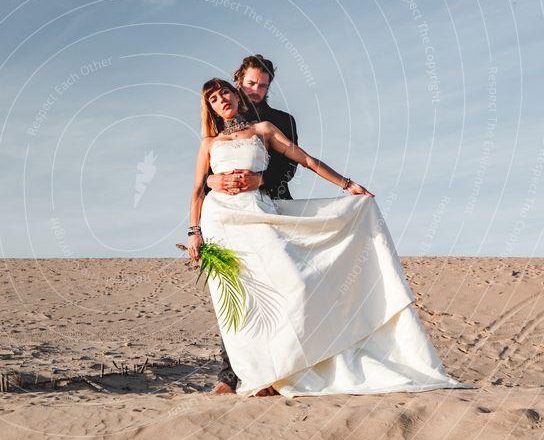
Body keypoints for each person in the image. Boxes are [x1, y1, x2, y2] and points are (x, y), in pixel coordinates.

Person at [188, 78, 467, 398]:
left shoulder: (263, 130)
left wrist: (347, 184)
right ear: (209, 108)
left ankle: (286, 369)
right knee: (239, 298)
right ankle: (256, 376)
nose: (221, 99)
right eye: (213, 98)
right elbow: (198, 190)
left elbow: (304, 159)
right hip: (221, 221)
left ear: (237, 96)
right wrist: (194, 232)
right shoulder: (209, 143)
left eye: (225, 92)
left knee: (294, 284)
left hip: (259, 214)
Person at [205, 55, 298, 395]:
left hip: (272, 209)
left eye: (263, 85)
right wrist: (212, 183)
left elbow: (291, 165)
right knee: (235, 292)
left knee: (277, 289)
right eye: (250, 83)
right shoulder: (220, 122)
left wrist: (260, 180)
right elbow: (204, 172)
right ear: (237, 82)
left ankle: (277, 372)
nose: (256, 90)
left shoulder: (281, 120)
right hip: (228, 217)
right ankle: (229, 376)